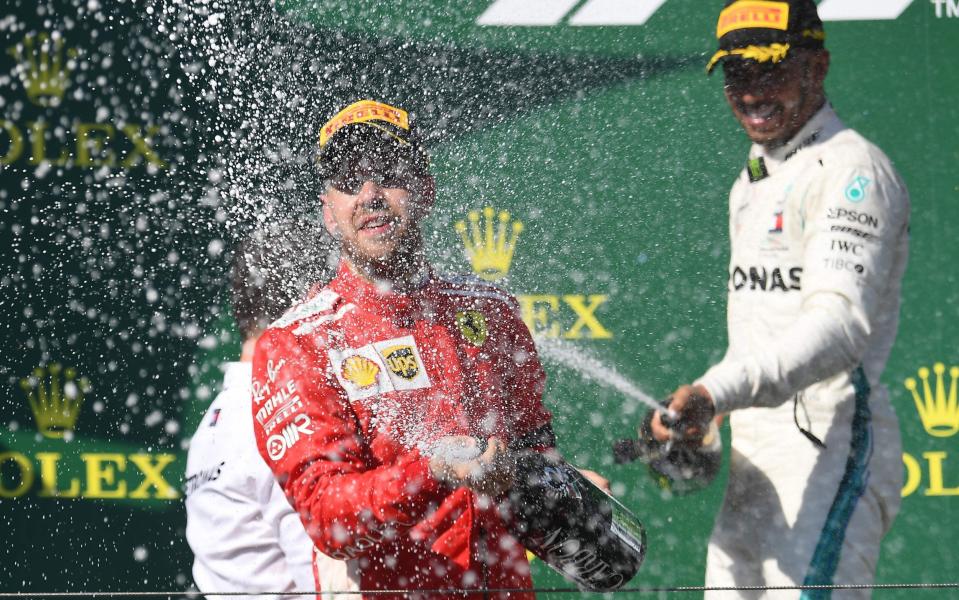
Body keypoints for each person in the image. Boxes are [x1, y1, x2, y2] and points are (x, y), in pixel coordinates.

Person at [250, 99, 563, 599]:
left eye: (387, 171)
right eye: (350, 180)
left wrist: (556, 488)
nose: (370, 194)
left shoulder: (492, 312)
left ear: (426, 188)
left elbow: (533, 444)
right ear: (329, 213)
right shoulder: (297, 345)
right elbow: (328, 517)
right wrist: (432, 472)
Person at [651, 1, 910, 597]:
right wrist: (700, 410)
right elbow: (763, 334)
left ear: (817, 68)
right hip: (756, 458)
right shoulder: (756, 177)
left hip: (830, 445)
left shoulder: (852, 170)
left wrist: (718, 392)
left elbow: (840, 328)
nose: (751, 92)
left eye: (770, 69)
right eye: (737, 74)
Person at [184, 219, 358, 599]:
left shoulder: (220, 417)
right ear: (309, 301)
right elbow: (332, 586)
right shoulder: (278, 414)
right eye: (334, 296)